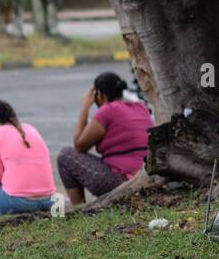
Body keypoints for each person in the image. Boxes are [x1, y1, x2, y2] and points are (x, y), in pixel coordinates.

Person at [58, 72, 153, 205]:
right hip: (147, 176)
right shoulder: (141, 107)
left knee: (65, 156)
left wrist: (85, 107)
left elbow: (80, 145)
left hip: (122, 181)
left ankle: (78, 207)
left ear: (100, 95)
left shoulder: (107, 110)